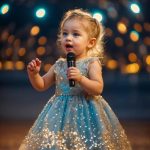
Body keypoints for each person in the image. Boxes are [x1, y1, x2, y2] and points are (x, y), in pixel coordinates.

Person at [19, 9, 132, 150]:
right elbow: (41, 85)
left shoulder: (92, 63)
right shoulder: (59, 64)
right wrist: (34, 74)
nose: (68, 38)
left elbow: (98, 88)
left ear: (90, 43)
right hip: (59, 115)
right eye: (65, 33)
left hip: (87, 114)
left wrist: (81, 78)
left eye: (76, 34)